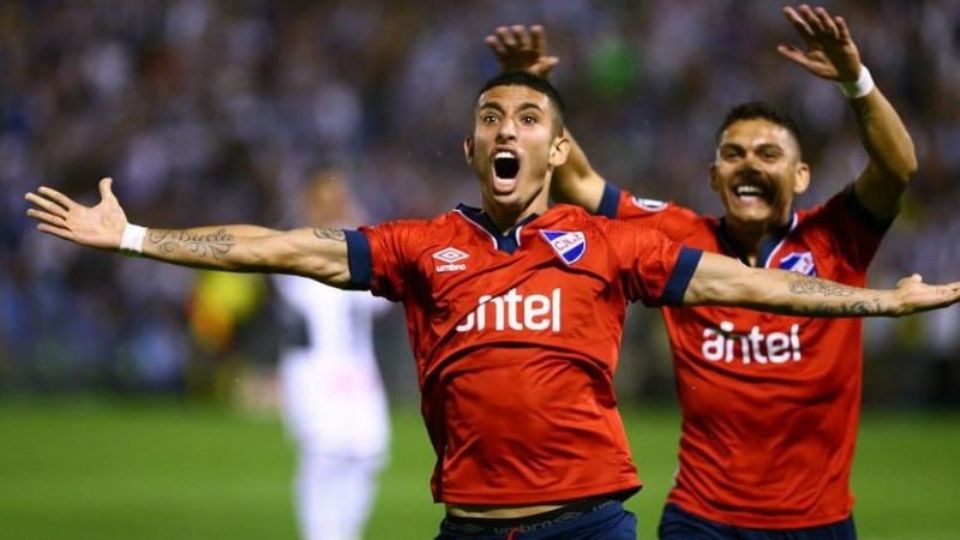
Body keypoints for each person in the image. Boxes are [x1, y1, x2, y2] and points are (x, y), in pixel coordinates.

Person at [24, 69, 959, 539]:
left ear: (558, 153)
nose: (507, 130)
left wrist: (876, 303)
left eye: (528, 119)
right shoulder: (420, 247)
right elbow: (279, 246)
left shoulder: (611, 243)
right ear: (471, 150)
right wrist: (136, 236)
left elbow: (753, 283)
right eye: (490, 119)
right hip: (470, 525)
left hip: (589, 523)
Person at [485, 6, 919, 539]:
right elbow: (577, 182)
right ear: (715, 176)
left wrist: (857, 81)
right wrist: (530, 97)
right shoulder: (679, 236)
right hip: (702, 519)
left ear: (802, 175)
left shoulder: (837, 237)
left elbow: (898, 167)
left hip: (817, 522)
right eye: (733, 154)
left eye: (768, 154)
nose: (749, 164)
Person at [273, 168, 391, 540]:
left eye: (338, 197)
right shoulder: (295, 245)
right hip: (313, 368)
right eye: (324, 198)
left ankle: (344, 534)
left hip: (358, 369)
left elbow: (383, 299)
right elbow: (294, 295)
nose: (333, 206)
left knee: (367, 454)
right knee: (324, 457)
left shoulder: (358, 248)